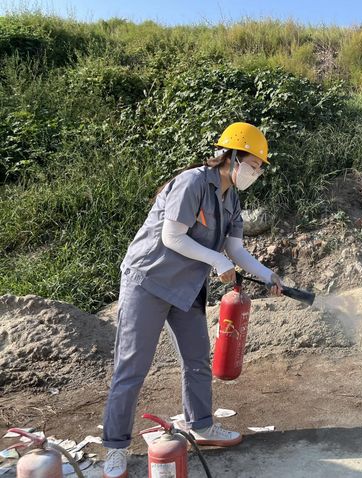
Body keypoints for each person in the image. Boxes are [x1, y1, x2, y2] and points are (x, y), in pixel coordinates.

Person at [101, 122, 283, 478]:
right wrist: (217, 261)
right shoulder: (193, 182)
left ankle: (201, 424)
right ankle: (115, 448)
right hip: (148, 281)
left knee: (197, 358)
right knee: (132, 367)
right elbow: (172, 236)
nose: (255, 173)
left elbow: (235, 250)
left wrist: (268, 275)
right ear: (231, 156)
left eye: (259, 169)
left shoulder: (232, 199)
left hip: (185, 288)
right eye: (252, 164)